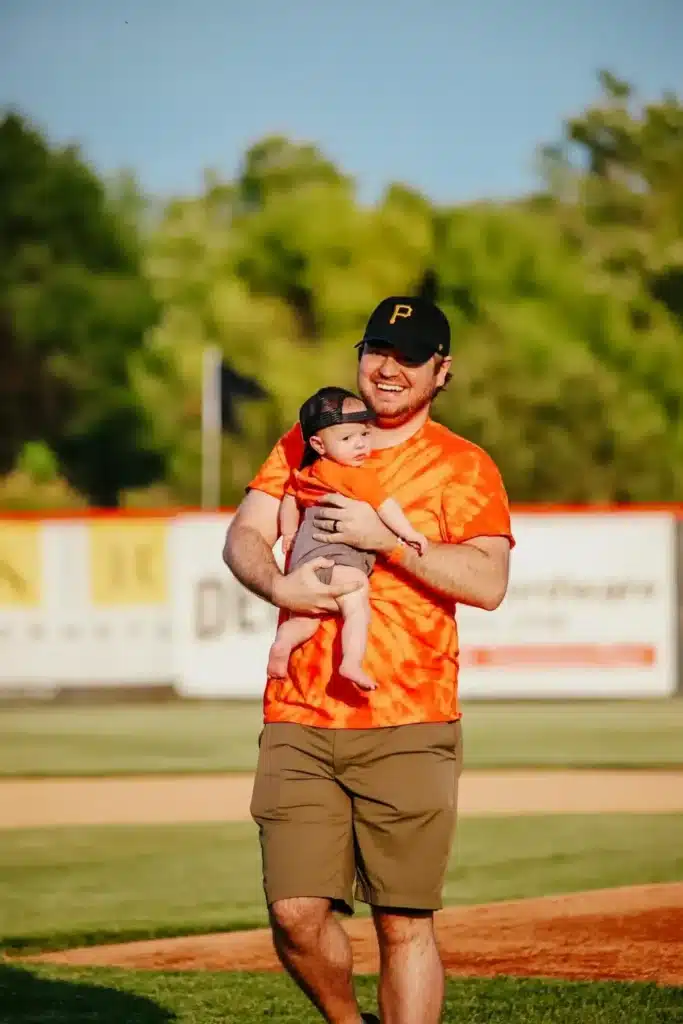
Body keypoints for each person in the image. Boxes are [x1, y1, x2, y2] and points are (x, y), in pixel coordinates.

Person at [223, 295, 514, 1024]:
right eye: (376, 350)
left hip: (408, 715)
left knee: (401, 921)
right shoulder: (307, 436)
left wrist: (388, 543)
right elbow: (245, 535)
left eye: (409, 358)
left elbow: (486, 582)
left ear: (440, 371)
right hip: (297, 711)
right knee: (294, 912)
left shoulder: (463, 466)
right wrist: (276, 581)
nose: (387, 369)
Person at [269, 385, 428, 691]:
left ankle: (282, 645)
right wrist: (408, 534)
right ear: (318, 443)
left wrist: (288, 534)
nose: (360, 445)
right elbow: (386, 507)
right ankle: (351, 662)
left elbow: (290, 498)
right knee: (357, 599)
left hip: (303, 564)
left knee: (306, 620)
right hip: (336, 557)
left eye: (364, 434)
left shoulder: (309, 472)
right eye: (347, 438)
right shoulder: (354, 476)